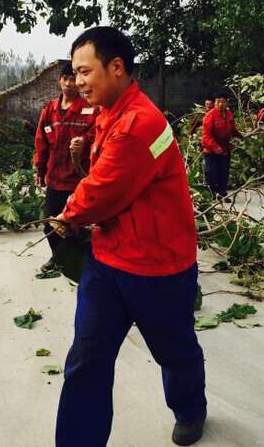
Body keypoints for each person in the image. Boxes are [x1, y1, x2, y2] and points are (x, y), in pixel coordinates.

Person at [52, 27, 207, 447]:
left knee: (174, 351)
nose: (79, 81)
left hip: (157, 266)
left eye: (85, 71)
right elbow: (108, 179)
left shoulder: (140, 123)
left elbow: (102, 192)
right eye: (75, 73)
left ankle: (191, 408)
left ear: (116, 67)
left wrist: (67, 213)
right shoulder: (109, 114)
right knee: (86, 359)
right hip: (108, 260)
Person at [33, 61, 98, 272]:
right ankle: (57, 257)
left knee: (75, 224)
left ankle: (78, 261)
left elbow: (97, 133)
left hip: (78, 179)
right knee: (49, 224)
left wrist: (85, 142)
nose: (69, 83)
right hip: (55, 177)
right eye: (66, 79)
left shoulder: (89, 109)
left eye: (73, 79)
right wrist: (39, 168)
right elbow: (41, 141)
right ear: (60, 81)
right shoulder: (49, 110)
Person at [201, 93, 240, 199]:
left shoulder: (229, 114)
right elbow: (205, 136)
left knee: (224, 172)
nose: (220, 104)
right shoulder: (210, 116)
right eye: (218, 102)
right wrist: (216, 147)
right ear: (215, 103)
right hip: (210, 150)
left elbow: (232, 129)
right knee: (211, 172)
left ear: (227, 103)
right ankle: (212, 193)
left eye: (223, 102)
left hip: (225, 149)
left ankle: (222, 193)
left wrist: (240, 136)